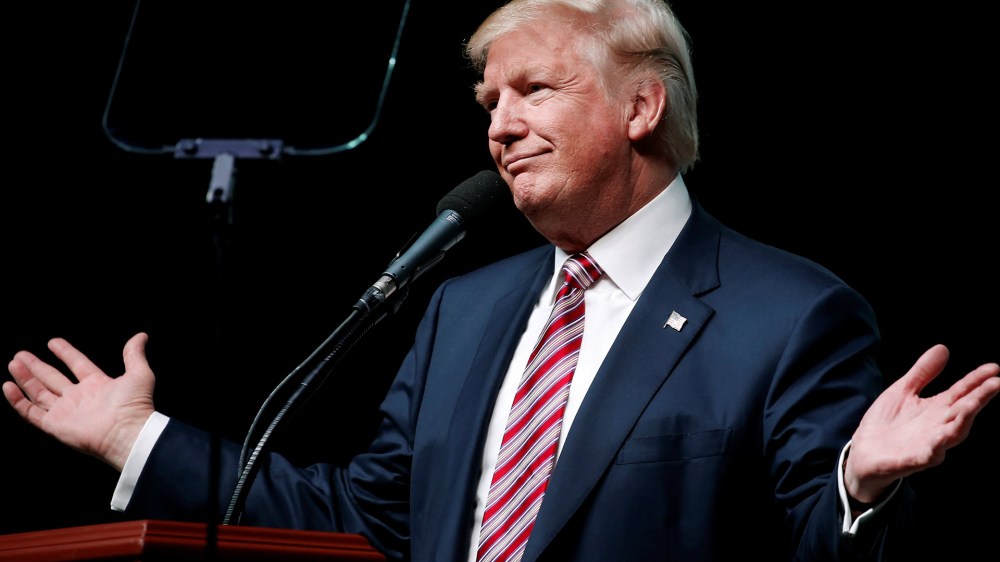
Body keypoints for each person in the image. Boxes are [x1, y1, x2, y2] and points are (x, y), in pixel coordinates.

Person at [5, 0, 998, 560]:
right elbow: (366, 519)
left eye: (534, 88)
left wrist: (857, 487)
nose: (499, 123)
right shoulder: (460, 306)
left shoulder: (791, 313)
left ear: (641, 106)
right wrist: (137, 437)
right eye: (488, 99)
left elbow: (814, 546)